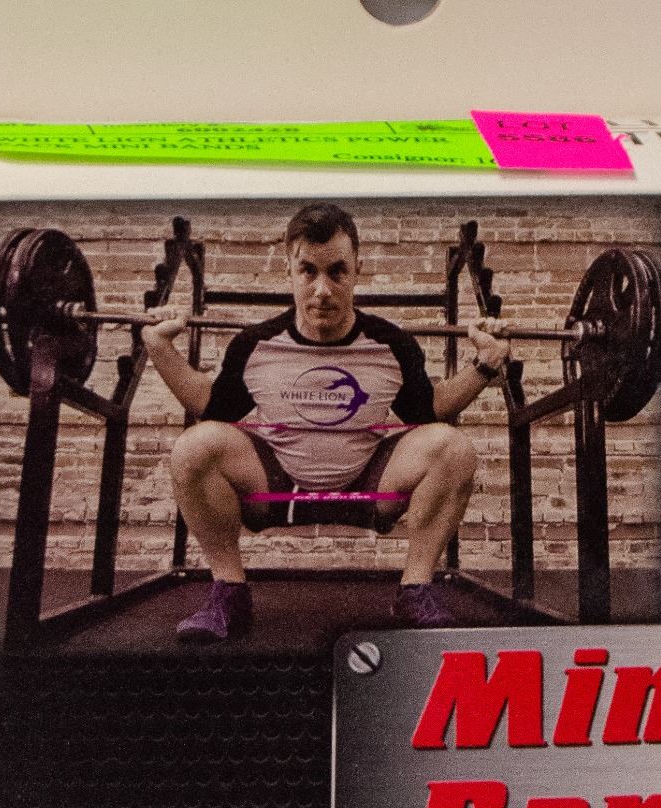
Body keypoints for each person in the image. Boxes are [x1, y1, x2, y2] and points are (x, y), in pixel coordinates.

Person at [141, 202, 512, 640]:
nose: (322, 290)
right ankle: (229, 593)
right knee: (194, 447)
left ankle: (414, 590)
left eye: (337, 272)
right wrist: (159, 348)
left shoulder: (390, 344)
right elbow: (210, 408)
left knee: (452, 448)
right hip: (275, 488)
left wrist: (485, 364)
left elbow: (430, 411)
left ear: (357, 270)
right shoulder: (255, 344)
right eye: (308, 271)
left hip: (370, 486)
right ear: (290, 270)